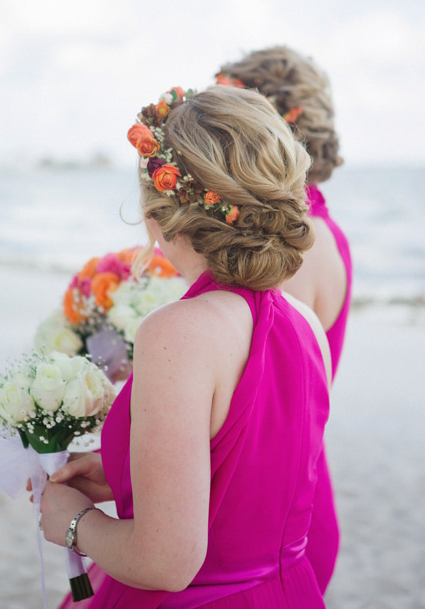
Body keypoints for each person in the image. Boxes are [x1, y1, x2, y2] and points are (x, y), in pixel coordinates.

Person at [40, 85, 331, 607]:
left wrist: (75, 524)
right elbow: (246, 478)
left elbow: (166, 563)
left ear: (162, 209)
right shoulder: (306, 324)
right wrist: (123, 475)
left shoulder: (176, 332)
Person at [216, 45, 350, 592]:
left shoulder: (283, 252)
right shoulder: (318, 231)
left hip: (260, 523)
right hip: (288, 500)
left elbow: (246, 417)